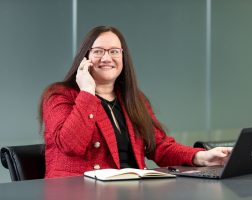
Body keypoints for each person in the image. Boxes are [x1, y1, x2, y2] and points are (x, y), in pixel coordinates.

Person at [39, 26, 232, 178]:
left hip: (133, 190)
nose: (107, 58)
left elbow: (160, 146)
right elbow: (71, 145)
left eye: (114, 51)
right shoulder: (59, 95)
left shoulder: (134, 99)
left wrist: (201, 157)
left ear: (123, 57)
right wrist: (87, 91)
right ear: (85, 57)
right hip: (79, 192)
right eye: (98, 51)